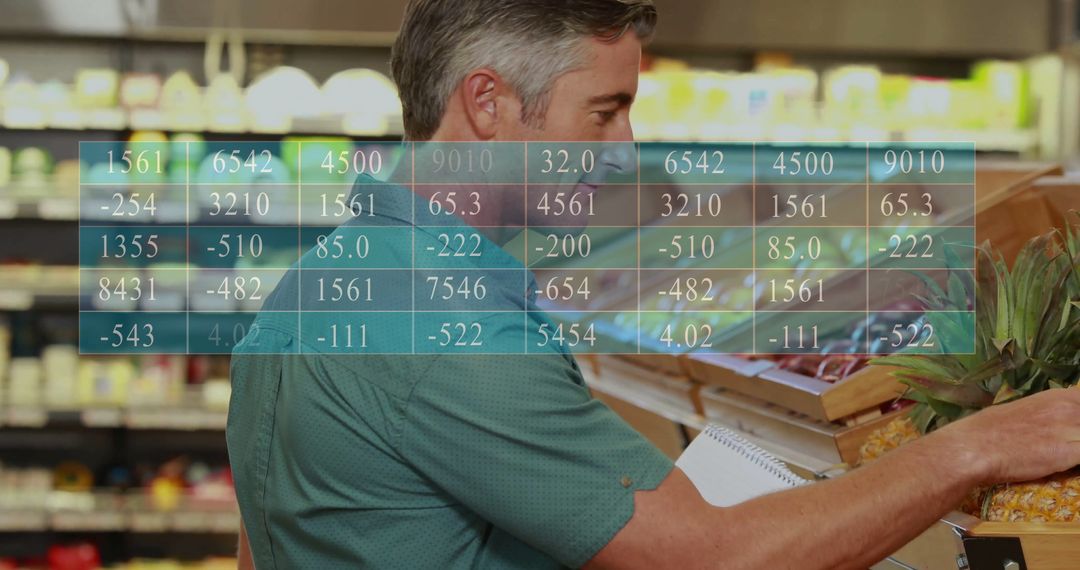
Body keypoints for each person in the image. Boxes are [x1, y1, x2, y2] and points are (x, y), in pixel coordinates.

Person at [228, 1, 1080, 568]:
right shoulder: (449, 327)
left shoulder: (321, 278)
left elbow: (259, 537)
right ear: (486, 102)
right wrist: (976, 447)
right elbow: (710, 559)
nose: (625, 150)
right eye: (603, 111)